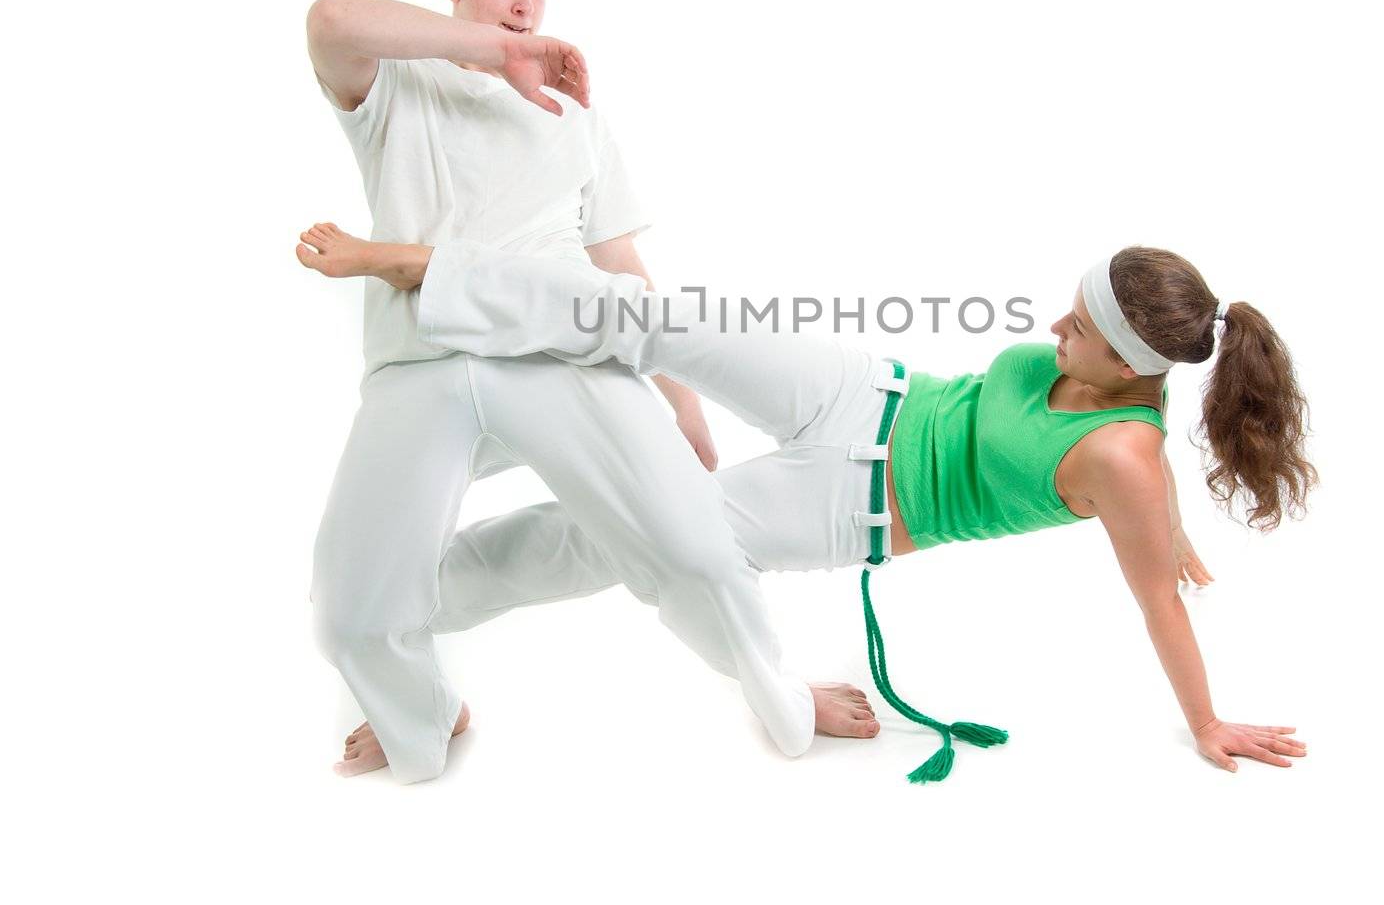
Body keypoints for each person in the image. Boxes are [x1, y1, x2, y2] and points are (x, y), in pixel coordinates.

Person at [297, 224, 1315, 776]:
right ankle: (430, 274)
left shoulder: (1127, 458)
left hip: (847, 502)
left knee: (599, 539)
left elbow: (1157, 601)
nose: (1054, 320)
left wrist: (1209, 718)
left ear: (1126, 365)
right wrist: (1171, 528)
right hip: (863, 388)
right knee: (654, 317)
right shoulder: (1131, 391)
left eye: (1077, 326)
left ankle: (397, 626)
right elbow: (1138, 497)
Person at [304, 0, 875, 784]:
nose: (524, 2)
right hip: (420, 359)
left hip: (556, 350)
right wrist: (494, 53)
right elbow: (331, 20)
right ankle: (424, 710)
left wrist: (681, 396)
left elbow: (617, 260)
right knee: (348, 615)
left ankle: (780, 694)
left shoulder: (574, 116)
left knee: (691, 546)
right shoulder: (396, 90)